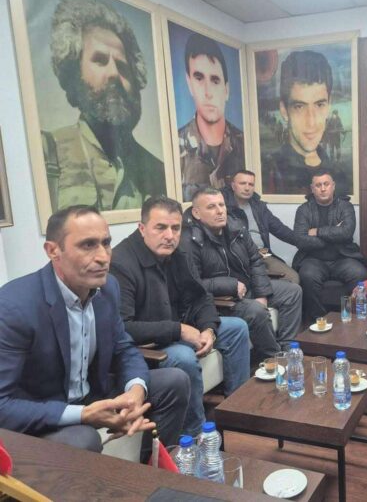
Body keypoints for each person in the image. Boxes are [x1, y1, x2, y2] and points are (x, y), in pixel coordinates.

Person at [0, 206, 188, 461]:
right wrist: (82, 415)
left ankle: (149, 470)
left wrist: (135, 390)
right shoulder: (14, 306)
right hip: (44, 410)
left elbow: (124, 348)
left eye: (106, 243)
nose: (102, 257)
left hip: (93, 395)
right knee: (84, 438)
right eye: (87, 245)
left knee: (174, 381)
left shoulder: (108, 288)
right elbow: (2, 404)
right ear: (53, 250)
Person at [110, 196, 250, 436]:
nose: (169, 236)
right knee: (183, 357)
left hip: (180, 328)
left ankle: (236, 412)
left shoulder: (178, 252)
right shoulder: (121, 263)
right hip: (149, 344)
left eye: (175, 228)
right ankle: (195, 435)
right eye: (160, 227)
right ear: (142, 228)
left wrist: (208, 329)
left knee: (236, 328)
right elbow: (123, 328)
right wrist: (179, 330)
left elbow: (201, 296)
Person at [43, 0, 165, 211]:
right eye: (100, 61)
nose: (114, 74)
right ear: (74, 73)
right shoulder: (49, 152)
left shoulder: (157, 170)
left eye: (122, 66)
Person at [181, 188, 302, 357]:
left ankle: (288, 348)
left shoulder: (236, 227)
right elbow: (193, 284)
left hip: (247, 288)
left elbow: (255, 261)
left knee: (292, 291)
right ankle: (273, 357)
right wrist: (230, 285)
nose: (219, 211)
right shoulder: (189, 240)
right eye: (211, 207)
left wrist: (262, 294)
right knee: (256, 310)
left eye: (221, 205)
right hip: (221, 300)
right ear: (196, 213)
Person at [266, 50, 346, 195]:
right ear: (284, 110)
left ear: (329, 105)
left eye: (319, 105)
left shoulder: (338, 174)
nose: (311, 122)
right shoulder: (271, 171)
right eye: (299, 107)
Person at [178, 33, 245, 201]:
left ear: (226, 90)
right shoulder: (176, 146)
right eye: (199, 78)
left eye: (215, 80)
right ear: (189, 84)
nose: (208, 92)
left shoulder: (243, 143)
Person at [293, 169, 367, 320]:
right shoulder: (303, 210)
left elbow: (346, 233)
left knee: (359, 273)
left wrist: (317, 231)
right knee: (307, 275)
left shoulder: (346, 206)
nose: (323, 188)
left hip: (343, 257)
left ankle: (348, 316)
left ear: (333, 186)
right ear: (312, 188)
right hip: (313, 259)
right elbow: (300, 240)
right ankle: (319, 320)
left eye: (326, 184)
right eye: (318, 185)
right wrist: (334, 234)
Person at [221, 170, 300, 284]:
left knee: (293, 278)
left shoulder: (259, 206)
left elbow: (281, 230)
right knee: (259, 281)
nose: (247, 188)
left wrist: (305, 240)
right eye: (242, 183)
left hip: (263, 252)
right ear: (233, 186)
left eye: (251, 184)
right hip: (238, 257)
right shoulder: (223, 207)